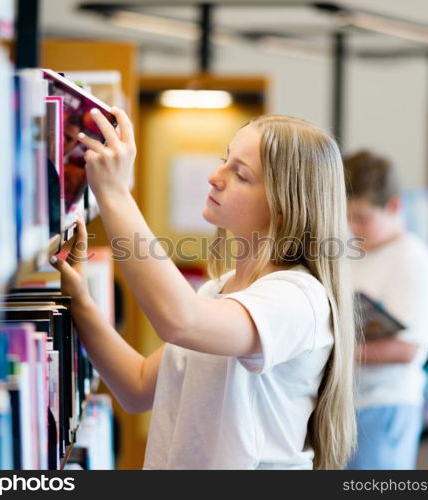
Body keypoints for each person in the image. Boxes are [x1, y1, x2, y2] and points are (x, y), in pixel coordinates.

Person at [51, 109, 357, 469]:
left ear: (283, 211)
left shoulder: (298, 299)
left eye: (240, 174)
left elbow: (180, 320)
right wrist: (82, 302)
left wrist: (115, 193)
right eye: (224, 161)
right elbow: (136, 387)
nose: (215, 177)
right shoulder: (217, 292)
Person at [344, 151, 428, 470]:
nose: (351, 226)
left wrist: (337, 350)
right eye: (346, 216)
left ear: (394, 206)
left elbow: (407, 349)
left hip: (383, 405)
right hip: (343, 403)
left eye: (362, 218)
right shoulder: (349, 250)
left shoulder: (413, 261)